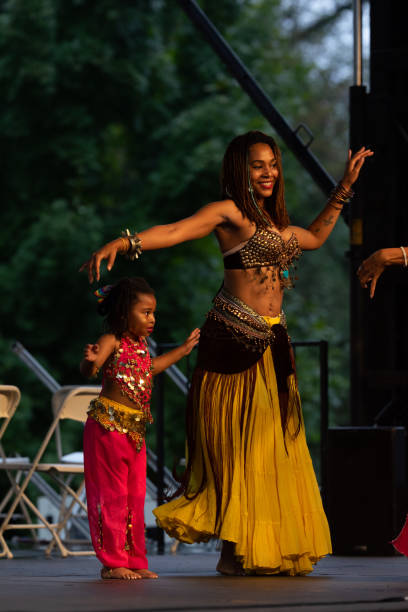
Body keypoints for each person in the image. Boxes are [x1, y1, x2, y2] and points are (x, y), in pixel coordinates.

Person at [81, 131, 373, 575]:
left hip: (274, 344)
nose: (269, 172)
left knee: (273, 449)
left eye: (273, 164)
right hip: (232, 343)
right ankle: (234, 549)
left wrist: (344, 188)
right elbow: (177, 231)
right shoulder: (228, 214)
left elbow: (314, 237)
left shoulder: (277, 228)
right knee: (241, 450)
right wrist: (124, 243)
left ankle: (255, 549)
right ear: (240, 169)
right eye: (258, 165)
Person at [80, 276, 200, 580]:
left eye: (153, 313)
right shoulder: (112, 341)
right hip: (108, 428)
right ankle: (112, 562)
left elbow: (151, 368)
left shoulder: (141, 346)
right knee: (113, 496)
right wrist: (90, 362)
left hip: (134, 432)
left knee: (135, 496)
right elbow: (92, 367)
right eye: (145, 312)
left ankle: (134, 559)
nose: (152, 319)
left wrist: (183, 351)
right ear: (124, 313)